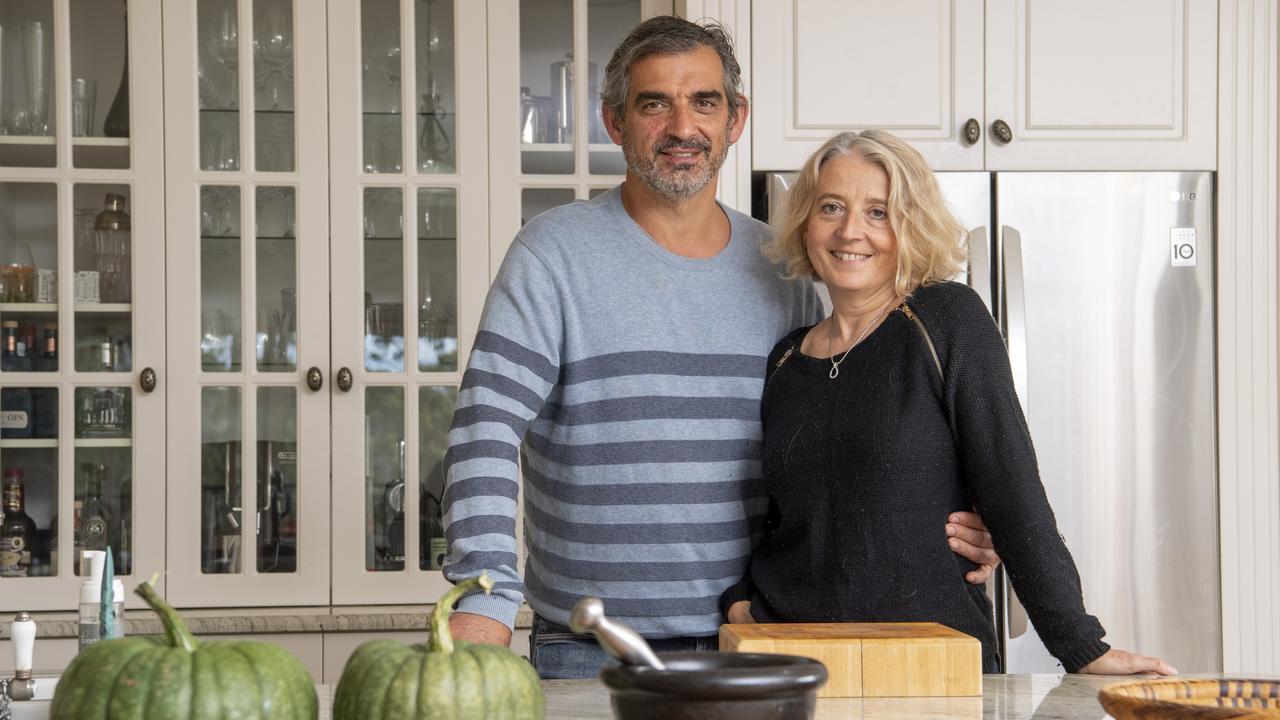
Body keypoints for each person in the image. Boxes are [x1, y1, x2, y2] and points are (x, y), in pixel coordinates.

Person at [441, 16, 998, 679]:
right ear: (615, 122)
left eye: (704, 102)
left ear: (736, 120)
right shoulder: (551, 256)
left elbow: (841, 454)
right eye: (655, 104)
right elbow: (486, 433)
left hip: (761, 640)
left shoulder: (784, 268)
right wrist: (485, 597)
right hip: (591, 650)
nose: (682, 127)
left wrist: (945, 521)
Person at [719, 128, 1176, 676]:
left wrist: (1080, 644)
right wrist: (743, 599)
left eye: (878, 212)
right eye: (831, 207)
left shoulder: (944, 319)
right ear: (805, 223)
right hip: (794, 664)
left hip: (935, 664)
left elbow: (1010, 485)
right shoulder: (786, 360)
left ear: (909, 225)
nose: (850, 231)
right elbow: (780, 517)